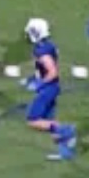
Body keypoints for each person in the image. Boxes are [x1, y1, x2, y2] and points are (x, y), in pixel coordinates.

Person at [22, 18, 78, 161]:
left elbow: (52, 72)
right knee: (49, 122)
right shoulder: (47, 45)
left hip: (47, 90)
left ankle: (67, 131)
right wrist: (32, 79)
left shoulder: (42, 50)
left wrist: (39, 84)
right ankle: (65, 152)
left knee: (33, 120)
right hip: (51, 88)